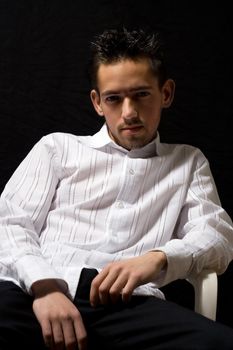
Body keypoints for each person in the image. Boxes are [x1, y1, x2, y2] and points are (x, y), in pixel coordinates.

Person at [0, 27, 233, 350]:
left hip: (131, 307)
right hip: (36, 294)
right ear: (97, 102)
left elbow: (217, 238)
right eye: (114, 98)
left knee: (219, 343)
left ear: (166, 93)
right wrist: (45, 287)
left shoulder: (189, 161)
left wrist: (159, 258)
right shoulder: (57, 148)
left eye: (141, 95)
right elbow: (9, 223)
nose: (129, 113)